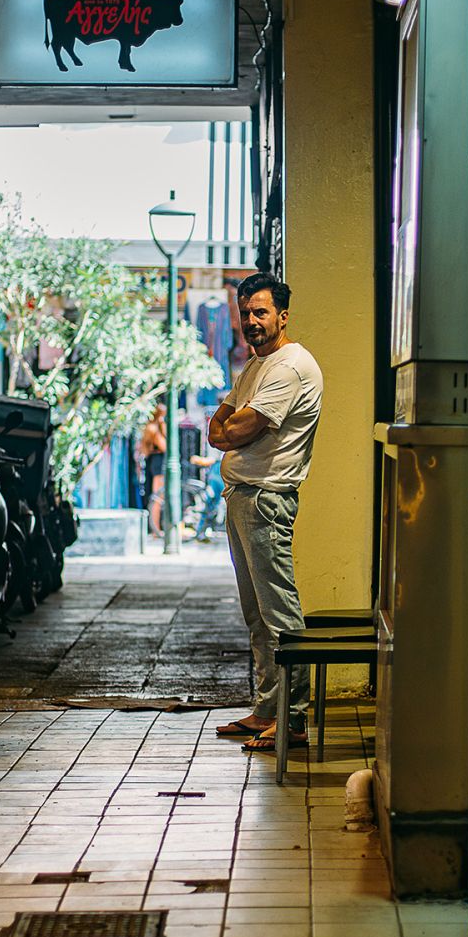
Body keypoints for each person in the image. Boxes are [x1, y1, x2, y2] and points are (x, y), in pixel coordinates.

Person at [207, 271, 323, 754]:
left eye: (261, 312)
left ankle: (292, 719)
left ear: (282, 316)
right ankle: (266, 709)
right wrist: (227, 424)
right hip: (243, 497)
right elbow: (220, 423)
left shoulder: (290, 366)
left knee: (278, 611)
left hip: (266, 498)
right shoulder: (256, 365)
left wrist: (229, 425)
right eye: (246, 313)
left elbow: (235, 430)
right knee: (257, 614)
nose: (252, 321)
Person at [138, 403, 166, 537]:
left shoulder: (148, 428)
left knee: (155, 496)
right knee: (157, 497)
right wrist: (163, 426)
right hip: (158, 462)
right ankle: (156, 529)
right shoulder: (155, 429)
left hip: (152, 461)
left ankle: (155, 528)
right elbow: (165, 446)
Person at [189, 451, 224, 542]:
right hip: (218, 471)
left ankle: (203, 531)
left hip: (219, 470)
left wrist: (200, 460)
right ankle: (201, 531)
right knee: (211, 504)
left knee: (213, 503)